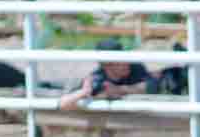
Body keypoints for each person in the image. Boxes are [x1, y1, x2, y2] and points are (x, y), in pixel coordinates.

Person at [59, 37, 187, 110]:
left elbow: (152, 86)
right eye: (119, 61)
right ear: (106, 66)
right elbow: (62, 104)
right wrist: (83, 92)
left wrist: (121, 89)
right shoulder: (98, 78)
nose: (125, 62)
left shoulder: (134, 67)